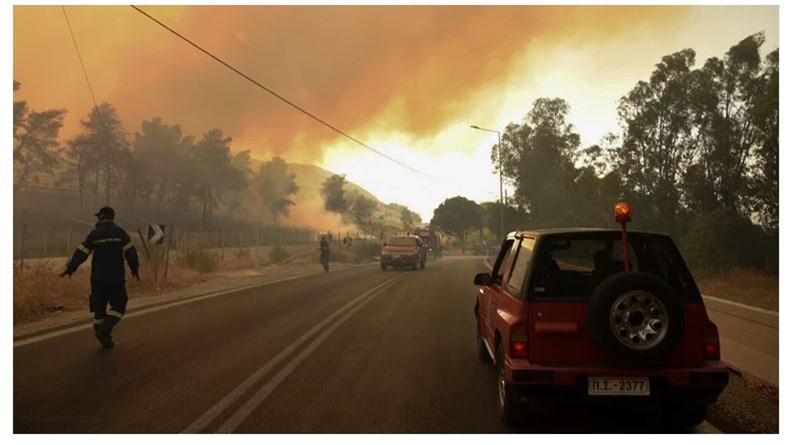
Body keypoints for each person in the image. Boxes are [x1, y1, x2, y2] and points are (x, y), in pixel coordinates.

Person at [60, 206, 139, 349]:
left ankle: (103, 336)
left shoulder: (94, 234)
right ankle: (104, 332)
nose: (97, 219)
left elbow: (81, 253)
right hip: (116, 279)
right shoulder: (121, 233)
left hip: (97, 280)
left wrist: (71, 268)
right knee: (119, 307)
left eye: (98, 217)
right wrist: (135, 269)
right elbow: (131, 253)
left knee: (99, 311)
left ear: (102, 217)